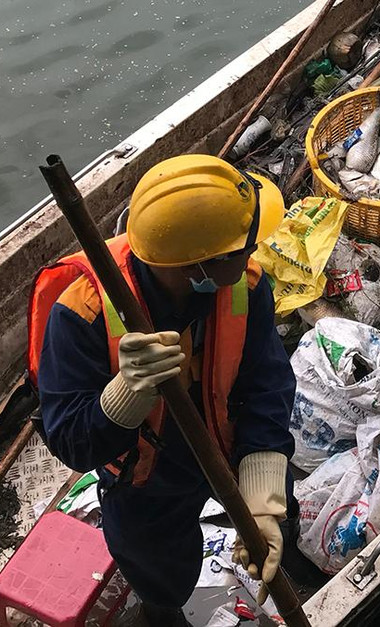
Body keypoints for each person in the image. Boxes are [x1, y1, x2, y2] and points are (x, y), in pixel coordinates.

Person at [28, 154, 296, 627]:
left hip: (226, 434)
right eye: (243, 246)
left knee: (275, 518)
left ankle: (272, 550)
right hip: (147, 471)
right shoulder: (81, 315)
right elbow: (70, 439)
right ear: (199, 267)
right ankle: (161, 611)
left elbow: (267, 383)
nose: (253, 253)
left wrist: (262, 496)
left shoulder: (244, 286)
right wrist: (127, 394)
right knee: (156, 566)